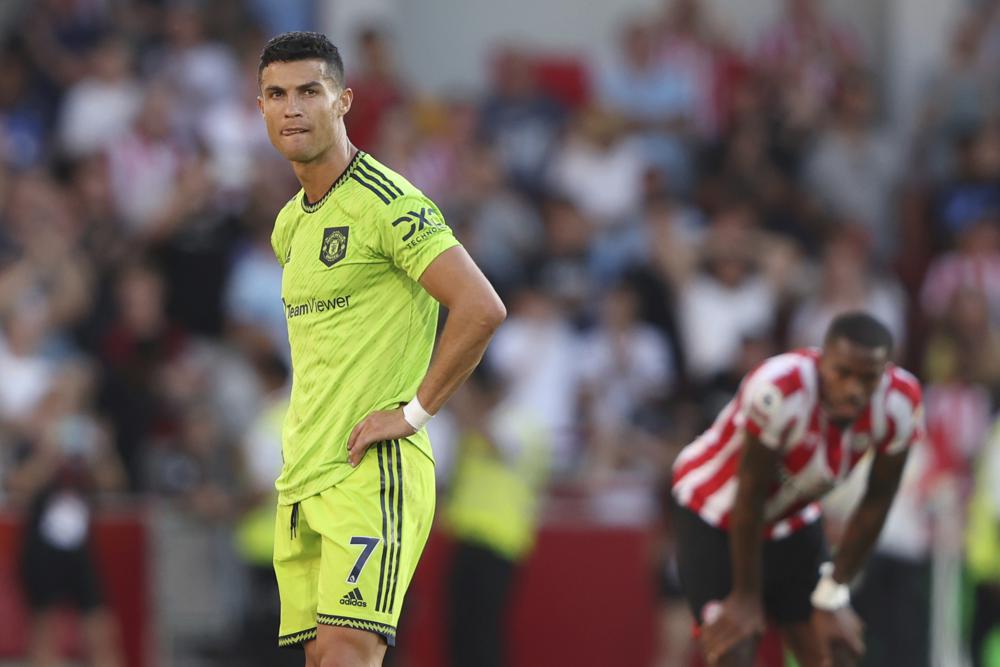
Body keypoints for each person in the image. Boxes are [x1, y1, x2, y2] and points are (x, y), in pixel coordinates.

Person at [256, 31, 506, 667]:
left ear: (343, 101)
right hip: (307, 472)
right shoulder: (290, 224)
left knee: (347, 653)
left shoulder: (387, 202)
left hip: (373, 468)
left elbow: (480, 307)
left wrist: (413, 414)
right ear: (260, 107)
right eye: (276, 94)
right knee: (322, 659)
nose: (292, 108)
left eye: (310, 91)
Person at [670, 312, 924, 666]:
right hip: (715, 513)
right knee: (735, 647)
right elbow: (750, 494)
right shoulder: (779, 390)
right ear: (821, 362)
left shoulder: (899, 403)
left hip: (792, 517)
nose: (853, 389)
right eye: (842, 373)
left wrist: (834, 592)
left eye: (868, 378)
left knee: (835, 648)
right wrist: (746, 595)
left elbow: (878, 500)